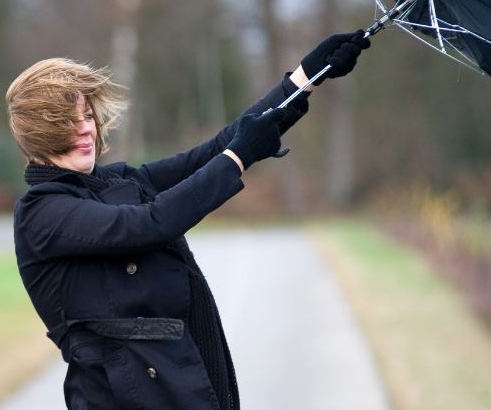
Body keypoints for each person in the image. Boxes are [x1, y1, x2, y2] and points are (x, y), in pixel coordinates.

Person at [5, 30, 370, 410]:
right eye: (67, 121)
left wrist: (305, 79)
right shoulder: (41, 213)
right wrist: (238, 158)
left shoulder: (116, 181)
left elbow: (215, 150)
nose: (85, 129)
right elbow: (148, 224)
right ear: (39, 133)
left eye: (86, 116)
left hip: (182, 383)